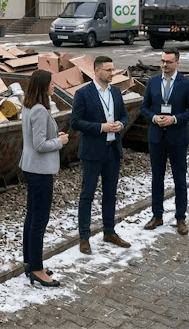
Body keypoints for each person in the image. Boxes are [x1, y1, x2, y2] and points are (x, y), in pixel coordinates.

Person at [71, 55, 131, 254]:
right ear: (97, 71)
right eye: (108, 70)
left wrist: (121, 124)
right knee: (87, 195)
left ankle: (109, 231)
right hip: (92, 152)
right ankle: (84, 237)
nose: (112, 73)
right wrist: (101, 127)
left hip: (113, 150)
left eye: (113, 69)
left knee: (110, 194)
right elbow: (76, 122)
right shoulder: (83, 93)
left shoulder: (115, 91)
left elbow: (124, 114)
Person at [140, 48, 189, 235]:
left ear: (177, 63)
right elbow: (144, 107)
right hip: (156, 137)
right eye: (162, 61)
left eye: (168, 62)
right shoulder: (153, 82)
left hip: (177, 137)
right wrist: (153, 117)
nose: (164, 65)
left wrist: (175, 119)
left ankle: (180, 218)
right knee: (157, 179)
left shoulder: (186, 84)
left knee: (179, 179)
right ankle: (157, 215)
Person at [20, 69, 69, 287]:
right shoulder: (39, 110)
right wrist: (60, 141)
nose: (54, 87)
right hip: (40, 171)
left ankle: (30, 262)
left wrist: (53, 136)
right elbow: (40, 145)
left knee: (32, 217)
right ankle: (37, 270)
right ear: (42, 86)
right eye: (51, 83)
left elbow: (35, 139)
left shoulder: (28, 106)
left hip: (31, 167)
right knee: (39, 220)